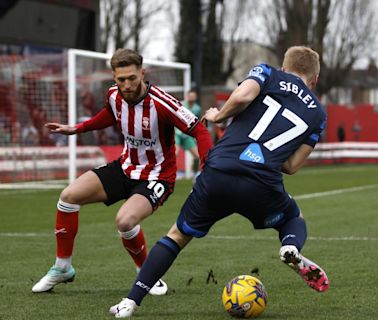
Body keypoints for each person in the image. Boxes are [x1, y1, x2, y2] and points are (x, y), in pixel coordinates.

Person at [110, 46, 330, 318]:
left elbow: (244, 95)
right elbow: (292, 166)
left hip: (220, 172)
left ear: (285, 68)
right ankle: (290, 246)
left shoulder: (269, 73)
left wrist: (219, 116)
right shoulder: (319, 114)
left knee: (177, 236)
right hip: (261, 183)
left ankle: (130, 302)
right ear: (315, 79)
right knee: (293, 217)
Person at [31, 49, 213, 295]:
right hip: (125, 167)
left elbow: (199, 131)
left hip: (156, 176)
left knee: (125, 220)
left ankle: (146, 274)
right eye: (121, 79)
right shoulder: (114, 95)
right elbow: (109, 115)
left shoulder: (162, 103)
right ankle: (63, 267)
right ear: (113, 78)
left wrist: (207, 168)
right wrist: (77, 129)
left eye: (132, 78)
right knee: (68, 197)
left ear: (142, 73)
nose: (127, 85)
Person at [175, 89, 202, 178]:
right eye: (190, 96)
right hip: (177, 133)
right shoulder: (181, 105)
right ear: (187, 96)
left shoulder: (197, 108)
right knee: (175, 153)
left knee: (197, 156)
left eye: (193, 96)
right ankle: (171, 173)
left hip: (187, 135)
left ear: (196, 97)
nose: (192, 97)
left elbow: (197, 121)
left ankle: (195, 174)